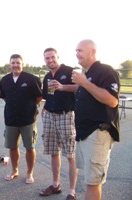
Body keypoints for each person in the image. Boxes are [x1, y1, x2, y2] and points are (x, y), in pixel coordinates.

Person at [72, 39, 120, 200]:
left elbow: (112, 100)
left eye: (80, 50)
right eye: (76, 50)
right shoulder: (86, 74)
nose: (76, 53)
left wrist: (85, 83)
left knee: (93, 182)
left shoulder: (106, 71)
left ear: (92, 52)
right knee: (89, 180)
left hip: (97, 133)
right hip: (84, 134)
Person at [39, 48, 78, 200]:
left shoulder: (70, 71)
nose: (50, 60)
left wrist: (63, 86)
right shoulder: (47, 76)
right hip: (50, 115)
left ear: (58, 57)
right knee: (54, 152)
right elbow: (49, 95)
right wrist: (45, 107)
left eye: (52, 57)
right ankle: (56, 185)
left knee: (70, 154)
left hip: (66, 115)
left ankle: (72, 191)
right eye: (47, 58)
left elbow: (81, 87)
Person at [0, 54, 42, 184]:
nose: (15, 65)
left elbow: (39, 96)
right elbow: (5, 97)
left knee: (30, 147)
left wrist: (29, 107)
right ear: (9, 64)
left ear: (22, 64)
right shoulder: (4, 80)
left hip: (28, 120)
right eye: (13, 63)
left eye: (18, 63)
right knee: (12, 147)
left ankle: (29, 173)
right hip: (11, 119)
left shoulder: (31, 79)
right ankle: (14, 170)